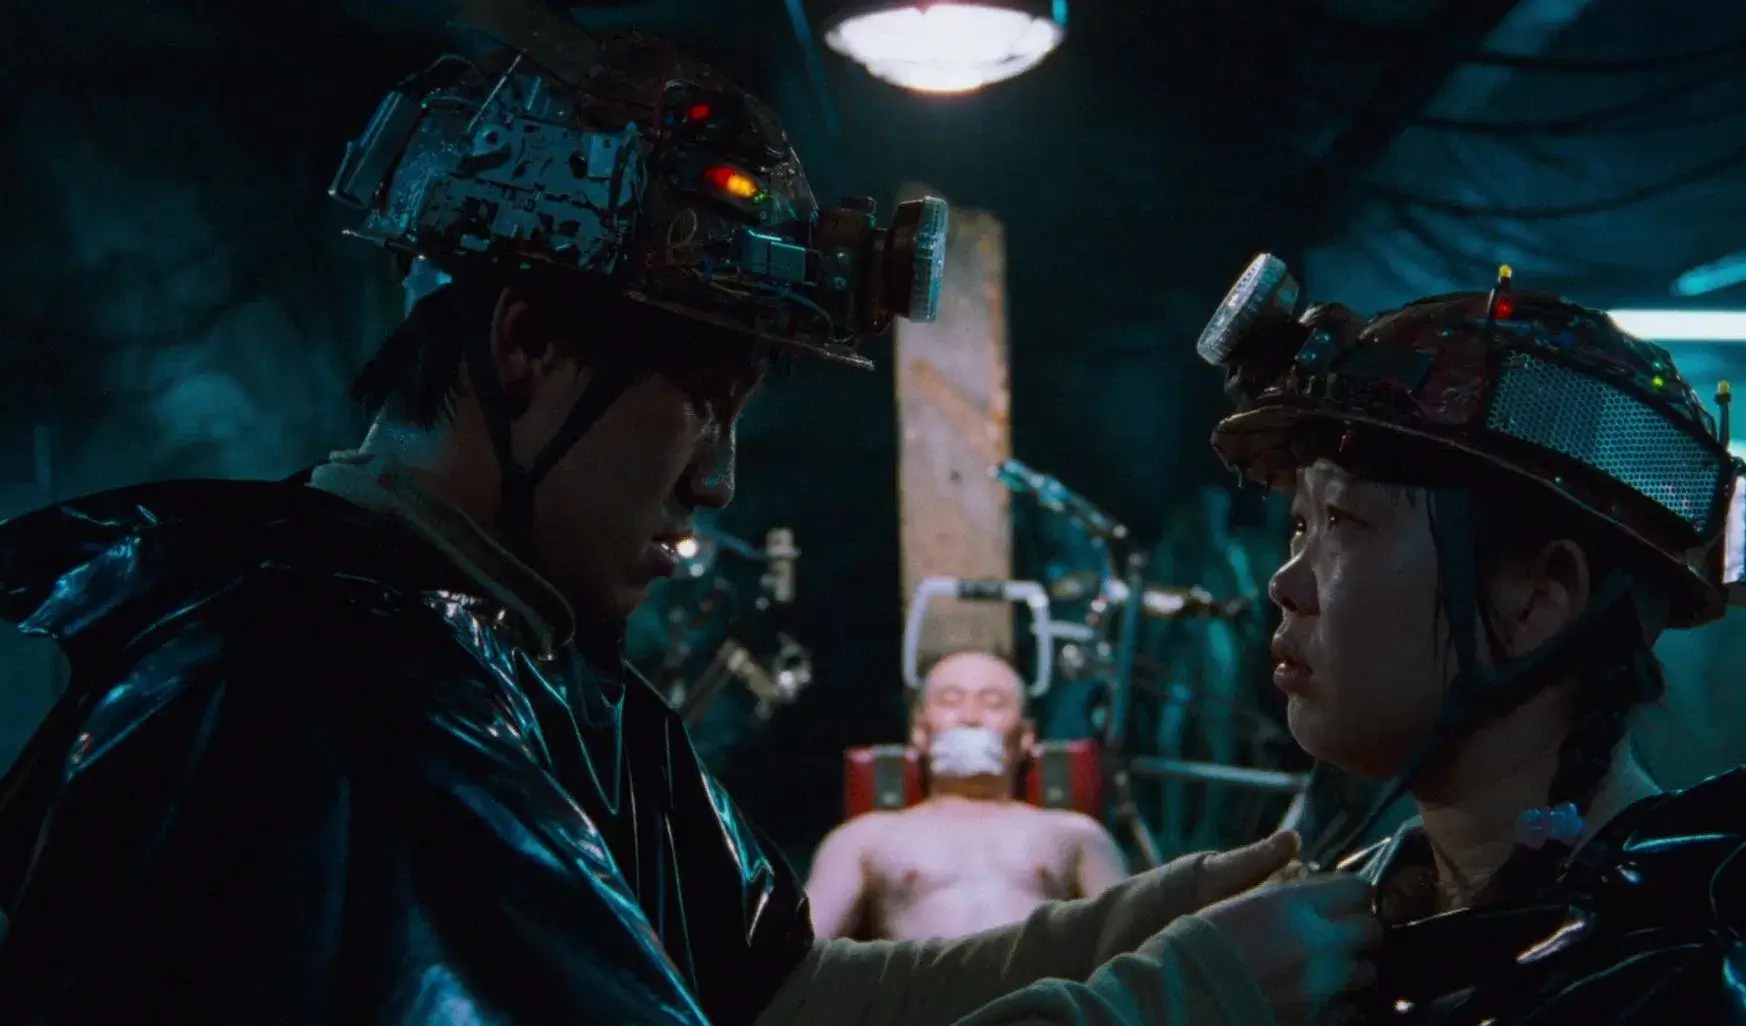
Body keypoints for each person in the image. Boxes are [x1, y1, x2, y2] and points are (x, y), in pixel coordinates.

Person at [0, 6, 1380, 1025]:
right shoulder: (336, 679)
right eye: (700, 404)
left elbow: (796, 1003)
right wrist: (1172, 1003)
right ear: (528, 346)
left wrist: (1156, 921)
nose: (719, 478)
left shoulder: (547, 677)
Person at [1196, 254, 1746, 1022]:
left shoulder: (1693, 977)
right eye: (1300, 525)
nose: (1285, 584)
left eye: (1343, 522)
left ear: (1540, 596)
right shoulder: (1348, 924)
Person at [807, 651, 1128, 941]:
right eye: (950, 701)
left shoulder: (1075, 834)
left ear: (1026, 735)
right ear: (920, 731)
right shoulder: (863, 838)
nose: (970, 718)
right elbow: (800, 955)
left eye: (993, 703)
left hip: (1040, 988)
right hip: (924, 986)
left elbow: (1133, 950)